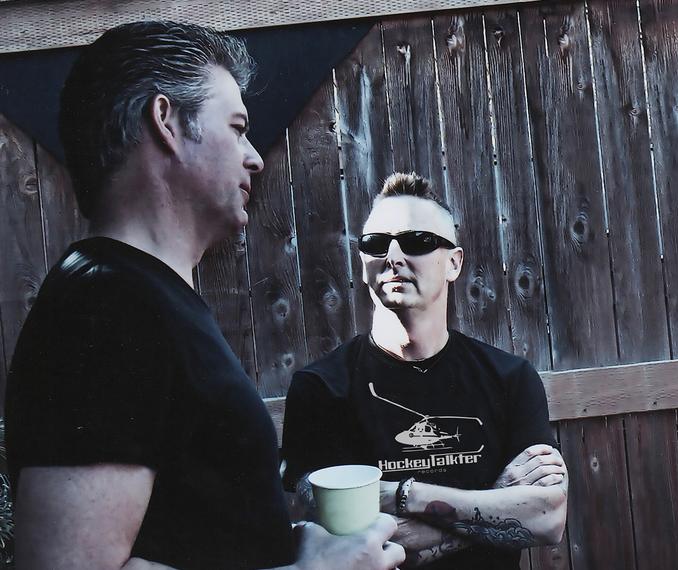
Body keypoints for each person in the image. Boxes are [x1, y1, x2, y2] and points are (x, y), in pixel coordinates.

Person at [5, 21, 404, 570]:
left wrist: (293, 547)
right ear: (166, 122)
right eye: (237, 128)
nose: (254, 157)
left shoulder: (144, 296)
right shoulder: (107, 305)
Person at [281, 172, 567, 569]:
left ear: (454, 263)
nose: (393, 257)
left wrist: (402, 495)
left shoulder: (510, 378)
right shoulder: (321, 389)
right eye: (376, 243)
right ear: (363, 264)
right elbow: (351, 550)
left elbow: (547, 520)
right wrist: (497, 495)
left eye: (417, 242)